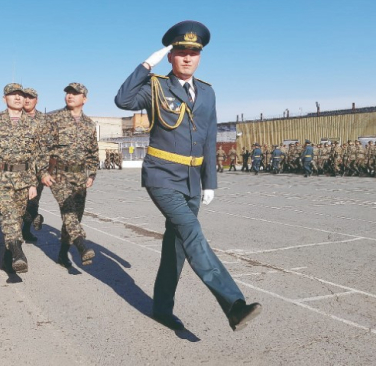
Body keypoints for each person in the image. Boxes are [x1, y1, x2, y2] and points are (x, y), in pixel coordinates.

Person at [114, 20, 261, 332]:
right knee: (192, 234)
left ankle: (162, 309)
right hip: (162, 176)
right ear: (170, 56)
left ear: (200, 57)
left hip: (193, 180)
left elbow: (209, 138)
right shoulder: (155, 87)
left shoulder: (207, 92)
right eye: (180, 52)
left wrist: (210, 182)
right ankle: (233, 304)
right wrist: (145, 64)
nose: (187, 58)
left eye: (193, 53)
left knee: (177, 247)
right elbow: (122, 100)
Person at [0, 84, 39, 273]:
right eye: (13, 95)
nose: (18, 98)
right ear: (5, 99)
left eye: (20, 95)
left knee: (17, 219)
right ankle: (18, 252)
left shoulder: (33, 124)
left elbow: (36, 157)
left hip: (23, 179)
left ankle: (7, 258)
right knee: (7, 215)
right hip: (0, 178)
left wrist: (32, 184)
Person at [38, 83, 99, 269]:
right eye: (68, 93)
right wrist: (43, 172)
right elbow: (41, 148)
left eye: (75, 93)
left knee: (75, 216)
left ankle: (63, 253)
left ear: (84, 99)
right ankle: (82, 246)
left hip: (80, 175)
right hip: (59, 174)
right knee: (69, 211)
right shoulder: (53, 119)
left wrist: (92, 174)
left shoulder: (89, 124)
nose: (70, 96)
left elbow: (92, 151)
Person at [21, 87, 45, 242]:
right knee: (17, 202)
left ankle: (26, 229)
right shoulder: (14, 118)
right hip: (18, 169)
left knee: (33, 201)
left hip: (38, 169)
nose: (27, 100)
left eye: (31, 97)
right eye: (25, 97)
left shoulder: (45, 121)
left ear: (37, 100)